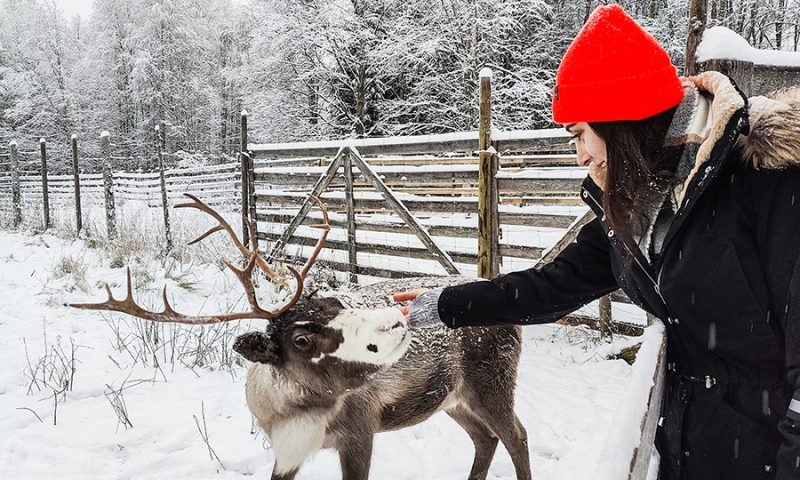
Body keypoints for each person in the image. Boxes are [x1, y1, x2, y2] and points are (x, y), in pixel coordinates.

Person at [393, 4, 800, 480]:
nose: (578, 152)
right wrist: (445, 305)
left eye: (580, 133)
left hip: (769, 449)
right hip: (697, 443)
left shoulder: (765, 180)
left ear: (620, 121)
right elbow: (553, 287)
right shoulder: (641, 206)